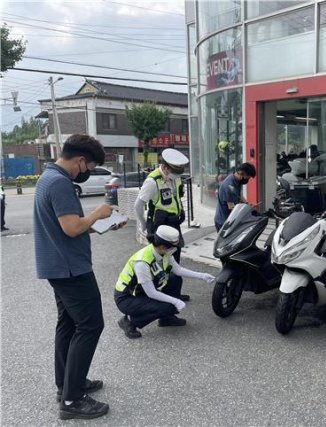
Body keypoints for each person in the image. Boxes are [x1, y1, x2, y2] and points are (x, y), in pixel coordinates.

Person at [34, 134, 123, 420]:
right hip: (71, 268)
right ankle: (72, 401)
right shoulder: (60, 182)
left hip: (58, 266)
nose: (87, 172)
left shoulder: (48, 177)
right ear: (80, 161)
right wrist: (99, 212)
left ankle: (67, 385)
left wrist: (103, 224)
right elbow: (72, 228)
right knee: (90, 325)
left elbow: (66, 226)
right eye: (89, 166)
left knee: (69, 324)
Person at [114, 225, 215, 338]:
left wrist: (202, 276)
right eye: (174, 247)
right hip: (127, 298)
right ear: (163, 247)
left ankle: (166, 319)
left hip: (141, 290)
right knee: (167, 306)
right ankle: (129, 322)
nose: (176, 249)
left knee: (174, 279)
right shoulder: (142, 263)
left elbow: (178, 270)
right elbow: (151, 293)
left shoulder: (163, 252)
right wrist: (175, 301)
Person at [134, 148, 190, 301]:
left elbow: (177, 197)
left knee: (175, 259)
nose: (176, 177)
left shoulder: (175, 177)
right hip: (158, 227)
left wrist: (181, 212)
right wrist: (144, 225)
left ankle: (174, 292)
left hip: (173, 225)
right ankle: (158, 296)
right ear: (165, 167)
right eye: (173, 173)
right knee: (159, 263)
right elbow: (138, 205)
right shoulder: (152, 181)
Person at [214, 162, 256, 232]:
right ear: (241, 173)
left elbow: (238, 195)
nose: (247, 180)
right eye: (247, 178)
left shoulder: (237, 180)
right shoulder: (228, 187)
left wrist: (247, 203)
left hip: (231, 220)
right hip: (224, 223)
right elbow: (232, 208)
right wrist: (247, 210)